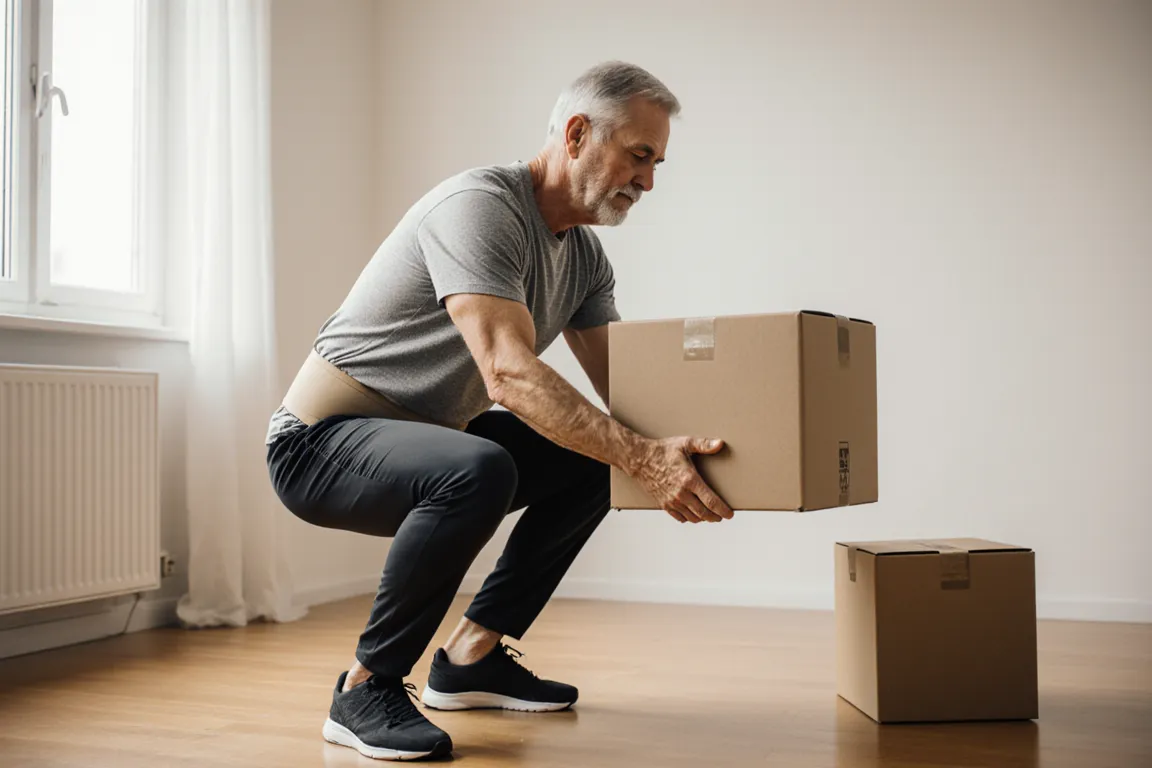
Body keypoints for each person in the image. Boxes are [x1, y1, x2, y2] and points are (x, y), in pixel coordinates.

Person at [266, 60, 733, 762]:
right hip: (319, 446)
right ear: (577, 133)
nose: (649, 181)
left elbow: (629, 397)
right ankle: (365, 689)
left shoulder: (583, 259)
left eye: (657, 163)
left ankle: (472, 657)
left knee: (589, 460)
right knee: (483, 467)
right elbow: (509, 374)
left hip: (428, 439)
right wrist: (640, 456)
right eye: (640, 155)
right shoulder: (481, 207)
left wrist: (710, 453)